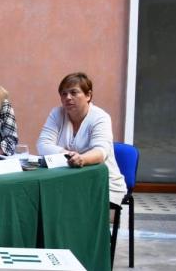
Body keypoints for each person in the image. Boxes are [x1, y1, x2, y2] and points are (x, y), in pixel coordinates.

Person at [37, 72, 127, 213]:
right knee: (40, 203)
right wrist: (67, 154)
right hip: (65, 182)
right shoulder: (57, 114)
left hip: (102, 184)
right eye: (63, 94)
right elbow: (43, 145)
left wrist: (82, 159)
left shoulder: (100, 117)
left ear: (88, 95)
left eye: (74, 92)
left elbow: (100, 152)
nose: (68, 98)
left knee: (63, 209)